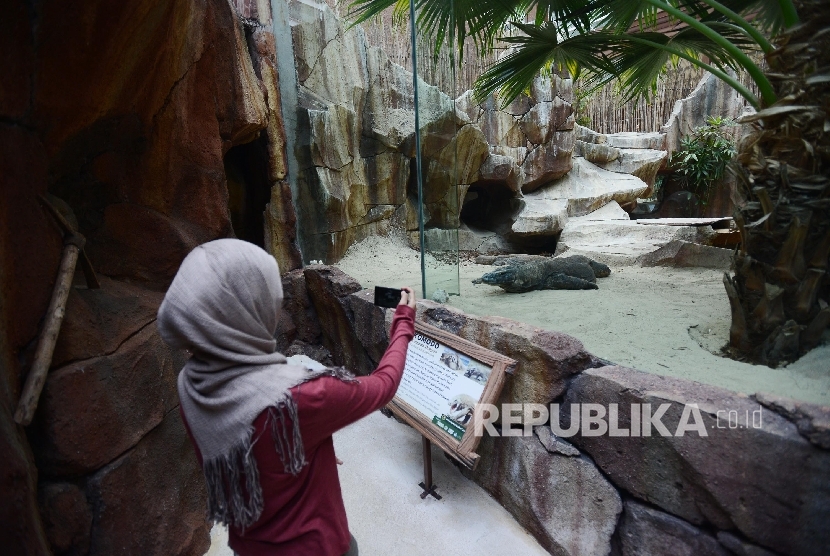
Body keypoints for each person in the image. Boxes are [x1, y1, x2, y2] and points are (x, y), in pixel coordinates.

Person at [157, 239, 416, 556]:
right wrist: (404, 320)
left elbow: (245, 442)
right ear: (246, 311)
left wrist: (299, 444)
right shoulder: (297, 400)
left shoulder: (192, 382)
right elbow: (384, 384)